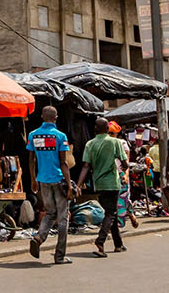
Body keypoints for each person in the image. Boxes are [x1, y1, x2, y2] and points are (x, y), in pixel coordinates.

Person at [27, 106, 74, 265]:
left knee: (49, 213)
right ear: (56, 117)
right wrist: (69, 185)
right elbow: (63, 163)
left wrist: (33, 179)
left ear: (41, 116)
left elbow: (31, 159)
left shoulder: (33, 135)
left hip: (43, 180)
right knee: (62, 219)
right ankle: (59, 256)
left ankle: (39, 237)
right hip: (58, 180)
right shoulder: (60, 136)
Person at [78, 117, 128, 257]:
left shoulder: (90, 144)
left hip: (98, 183)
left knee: (111, 212)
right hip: (112, 182)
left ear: (95, 129)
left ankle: (118, 244)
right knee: (111, 213)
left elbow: (86, 166)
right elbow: (124, 162)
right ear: (107, 129)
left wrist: (78, 184)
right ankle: (100, 240)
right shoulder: (115, 142)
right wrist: (126, 168)